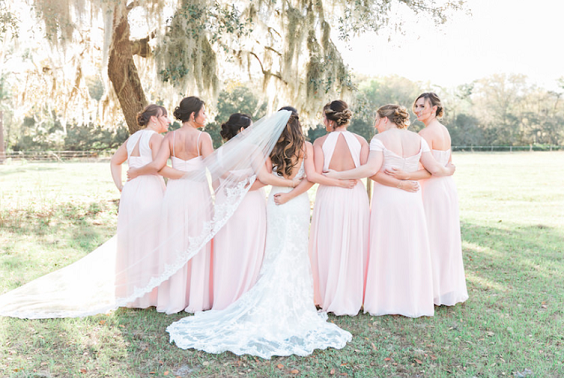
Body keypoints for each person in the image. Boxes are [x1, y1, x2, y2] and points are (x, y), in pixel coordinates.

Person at [166, 107, 352, 359]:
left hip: (275, 202)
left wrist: (278, 192)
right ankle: (291, 302)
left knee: (276, 249)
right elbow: (310, 177)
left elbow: (263, 177)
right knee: (293, 249)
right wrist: (291, 193)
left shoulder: (270, 146)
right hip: (293, 203)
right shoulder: (306, 147)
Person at [325, 104, 454, 317]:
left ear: (386, 120)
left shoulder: (380, 140)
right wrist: (407, 177)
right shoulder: (418, 139)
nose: (375, 125)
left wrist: (336, 175)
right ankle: (411, 299)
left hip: (387, 198)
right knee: (410, 245)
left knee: (385, 246)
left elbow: (369, 170)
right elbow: (432, 172)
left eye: (376, 120)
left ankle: (385, 299)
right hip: (411, 199)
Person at [128, 96, 215, 314]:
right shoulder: (203, 137)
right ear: (193, 115)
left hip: (175, 191)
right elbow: (215, 167)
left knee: (175, 240)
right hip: (197, 191)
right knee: (197, 239)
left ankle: (174, 297)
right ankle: (195, 297)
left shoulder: (170, 137)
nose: (206, 117)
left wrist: (179, 176)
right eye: (203, 112)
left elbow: (159, 166)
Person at [384, 93, 468, 306]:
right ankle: (444, 287)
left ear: (434, 109)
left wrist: (405, 176)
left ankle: (430, 290)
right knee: (444, 237)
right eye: (416, 106)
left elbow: (431, 171)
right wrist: (449, 171)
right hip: (447, 188)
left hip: (431, 189)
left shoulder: (424, 134)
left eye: (422, 106)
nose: (417, 110)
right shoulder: (444, 130)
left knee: (429, 237)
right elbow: (448, 164)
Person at [212, 113, 299, 310]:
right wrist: (291, 182)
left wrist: (229, 193)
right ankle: (245, 296)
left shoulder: (219, 152)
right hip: (249, 205)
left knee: (228, 249)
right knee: (249, 247)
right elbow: (264, 178)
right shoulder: (252, 149)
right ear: (242, 130)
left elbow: (216, 184)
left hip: (224, 204)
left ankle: (225, 298)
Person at [110, 104, 179, 308]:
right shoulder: (156, 138)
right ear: (154, 119)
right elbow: (159, 166)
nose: (168, 120)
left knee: (131, 240)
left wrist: (121, 186)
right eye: (164, 116)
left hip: (131, 191)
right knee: (151, 239)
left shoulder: (132, 139)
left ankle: (131, 293)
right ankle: (149, 295)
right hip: (149, 189)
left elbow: (115, 161)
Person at [307, 100, 369, 316]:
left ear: (330, 119)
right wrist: (345, 179)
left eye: (324, 118)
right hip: (355, 194)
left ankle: (324, 295)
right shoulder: (360, 141)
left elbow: (316, 174)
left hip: (330, 193)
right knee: (353, 241)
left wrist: (336, 178)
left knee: (328, 241)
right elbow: (363, 171)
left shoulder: (320, 142)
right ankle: (353, 296)